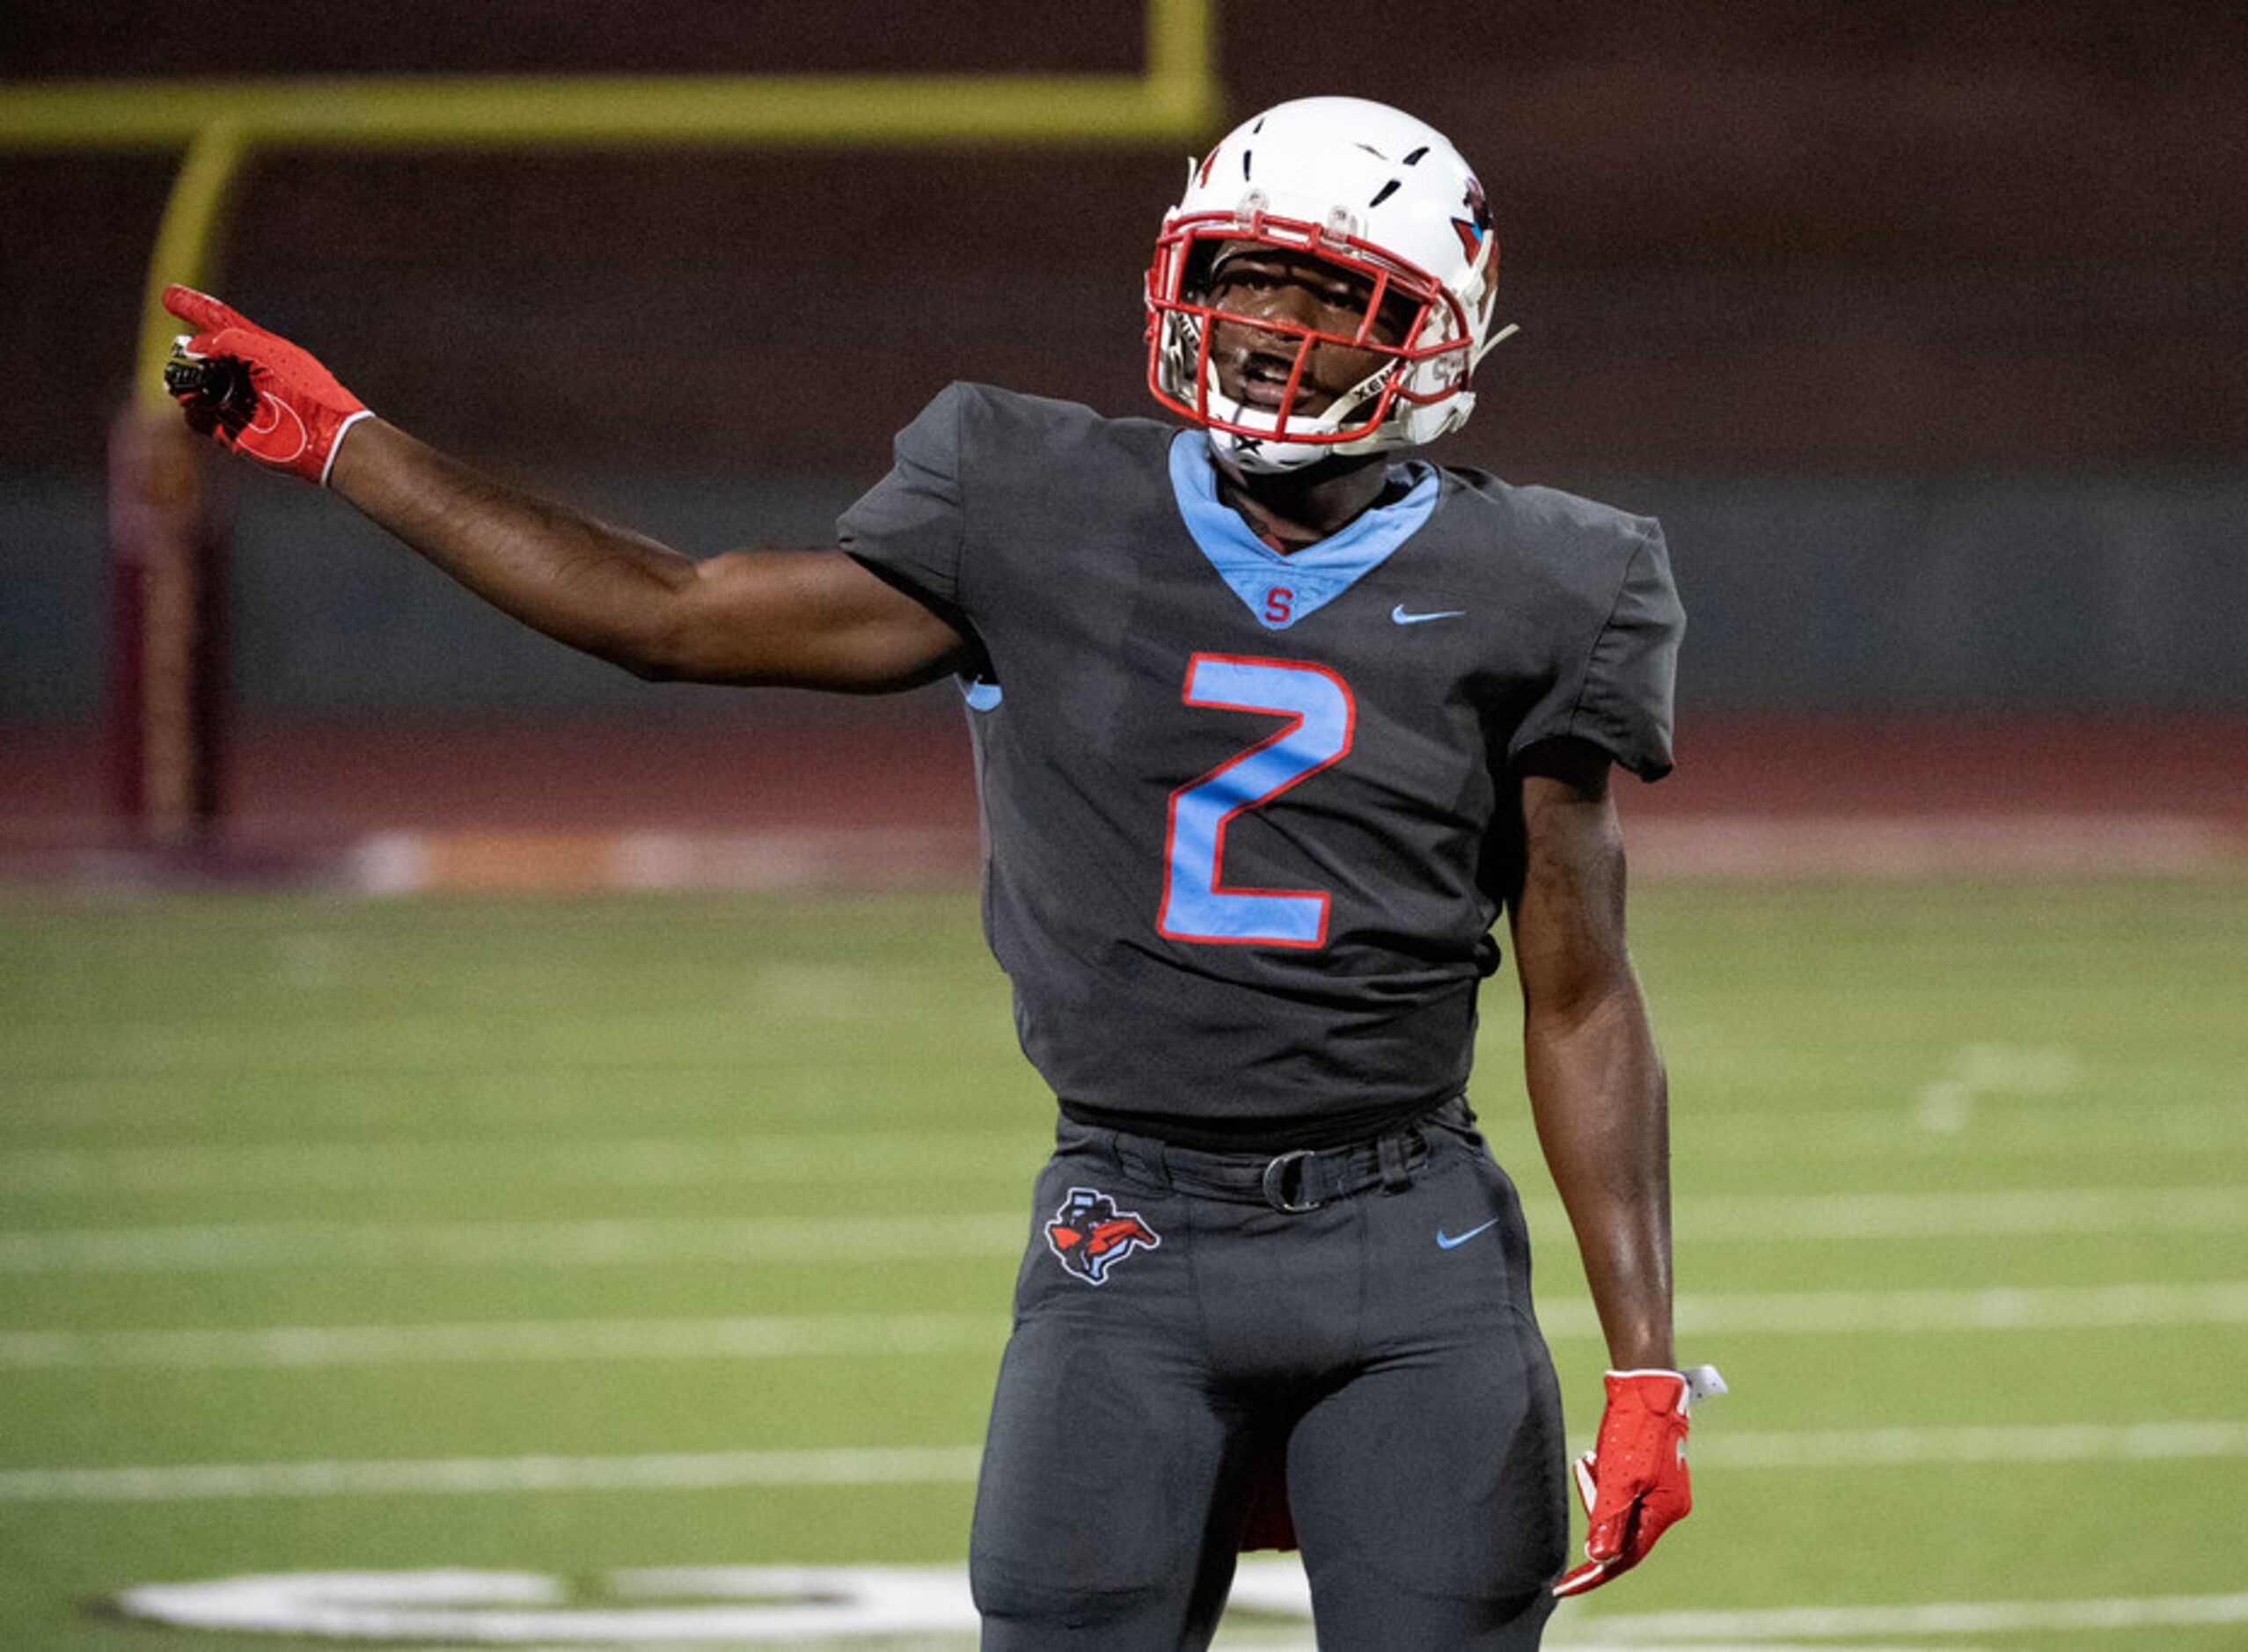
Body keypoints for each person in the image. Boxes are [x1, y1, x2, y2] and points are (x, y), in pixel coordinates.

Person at [162, 94, 1718, 1650]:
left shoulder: (1548, 581)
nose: (1266, 326)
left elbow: (1582, 997)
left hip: (1411, 1245)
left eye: (1331, 293)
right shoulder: (1031, 500)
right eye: (1242, 274)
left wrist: (1645, 1363)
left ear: (1436, 332)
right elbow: (669, 613)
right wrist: (344, 444)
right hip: (1129, 1226)